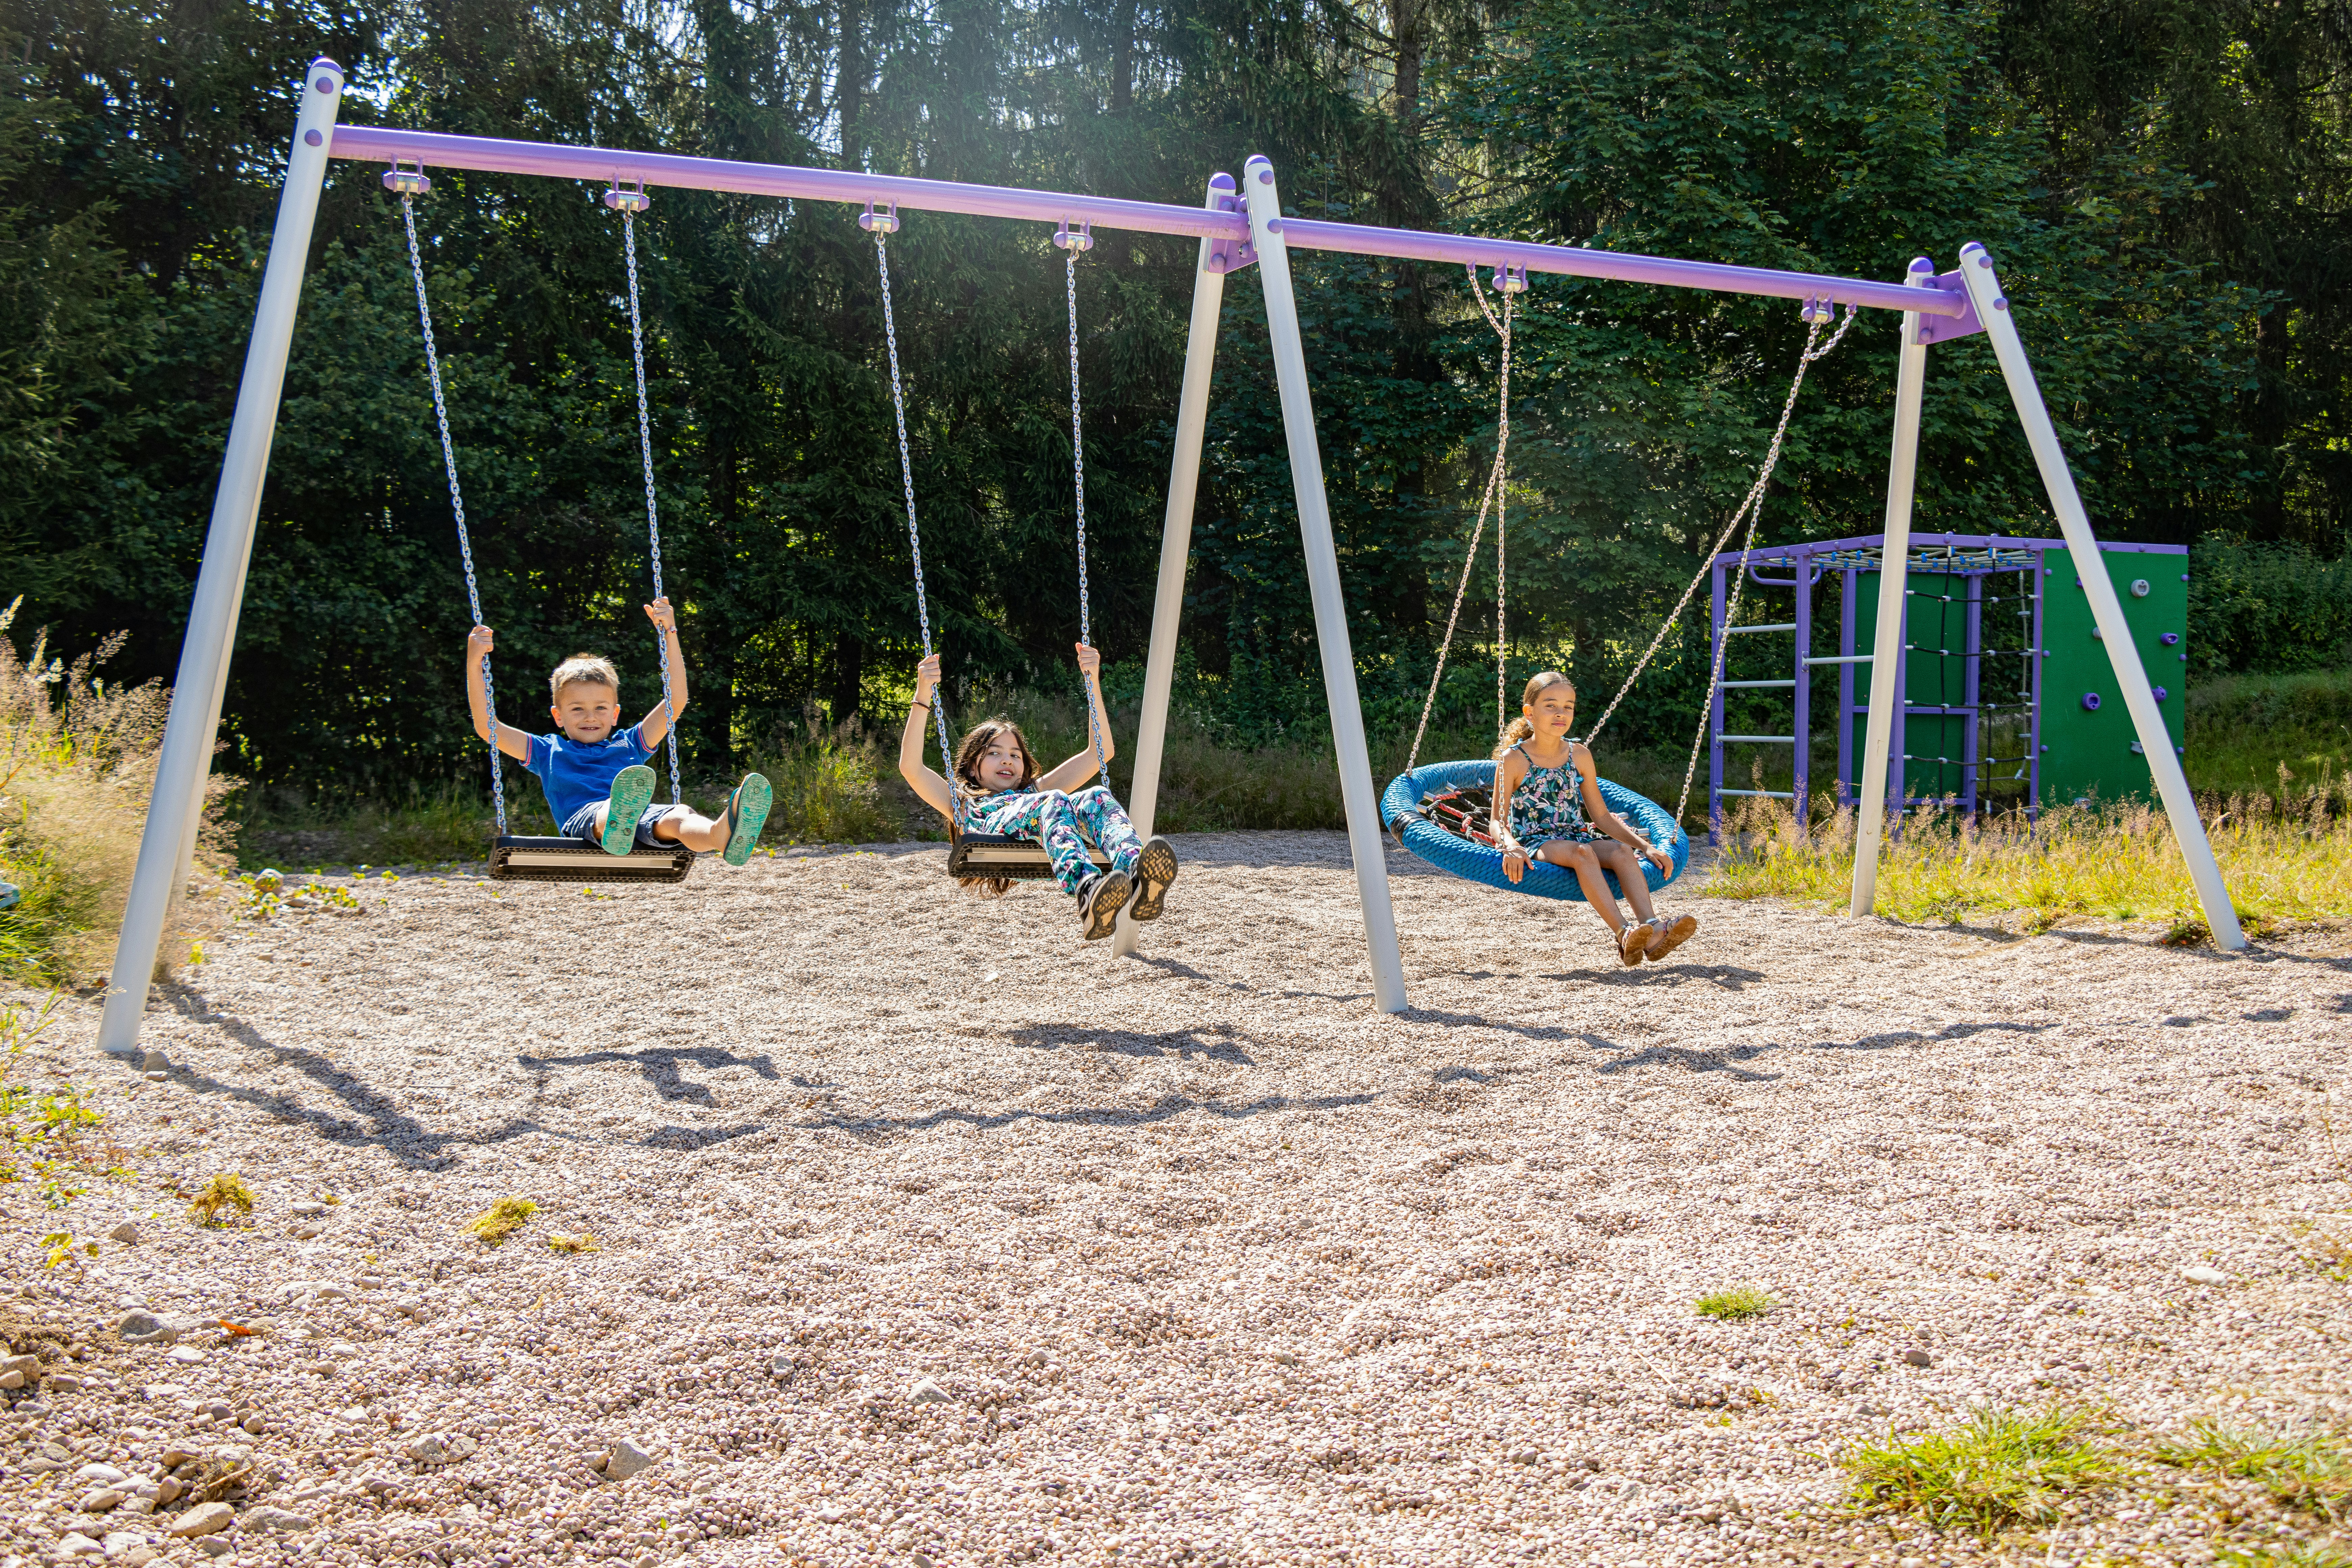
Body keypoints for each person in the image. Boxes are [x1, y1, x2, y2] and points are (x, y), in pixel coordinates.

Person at [898, 643, 1178, 941]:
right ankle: (1087, 890)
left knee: (1096, 796)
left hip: (1041, 833)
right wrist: (923, 695)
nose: (1007, 759)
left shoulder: (1033, 792)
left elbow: (1100, 753)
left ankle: (1137, 874)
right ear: (972, 766)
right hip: (998, 843)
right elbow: (911, 768)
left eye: (1015, 755)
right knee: (1054, 799)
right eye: (994, 753)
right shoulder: (962, 803)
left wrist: (1092, 679)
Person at [465, 597, 770, 864]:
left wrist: (670, 634)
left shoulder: (630, 744)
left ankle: (720, 835)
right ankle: (618, 815)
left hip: (638, 820)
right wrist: (475, 661)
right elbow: (488, 727)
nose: (590, 717)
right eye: (577, 709)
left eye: (600, 708)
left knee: (679, 817)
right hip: (586, 823)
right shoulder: (548, 751)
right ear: (558, 717)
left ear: (615, 715)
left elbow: (676, 701)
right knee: (612, 807)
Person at [1493, 669, 1696, 966]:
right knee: (1583, 852)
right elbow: (1497, 820)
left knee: (1620, 850)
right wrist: (1510, 846)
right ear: (1530, 713)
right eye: (1550, 705)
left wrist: (1645, 847)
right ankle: (1623, 933)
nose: (1560, 713)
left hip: (1577, 833)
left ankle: (1651, 929)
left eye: (1568, 706)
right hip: (1537, 840)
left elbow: (1600, 815)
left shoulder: (1580, 755)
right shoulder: (1514, 759)